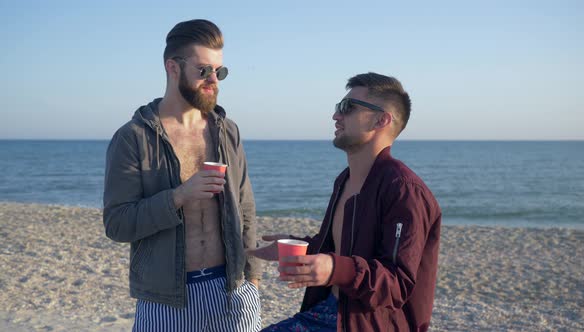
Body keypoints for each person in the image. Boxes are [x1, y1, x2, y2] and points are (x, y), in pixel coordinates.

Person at [249, 72, 442, 331]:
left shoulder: (404, 191)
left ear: (381, 120)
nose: (336, 116)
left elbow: (397, 284)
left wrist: (333, 268)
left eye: (347, 108)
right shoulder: (345, 180)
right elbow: (344, 252)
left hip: (372, 323)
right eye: (338, 107)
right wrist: (304, 250)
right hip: (332, 310)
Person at [103, 19, 261, 332]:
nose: (213, 79)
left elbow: (246, 210)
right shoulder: (134, 137)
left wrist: (253, 280)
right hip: (166, 300)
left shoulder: (227, 132)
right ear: (172, 67)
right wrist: (179, 196)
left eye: (220, 71)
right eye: (203, 70)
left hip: (233, 292)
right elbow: (117, 224)